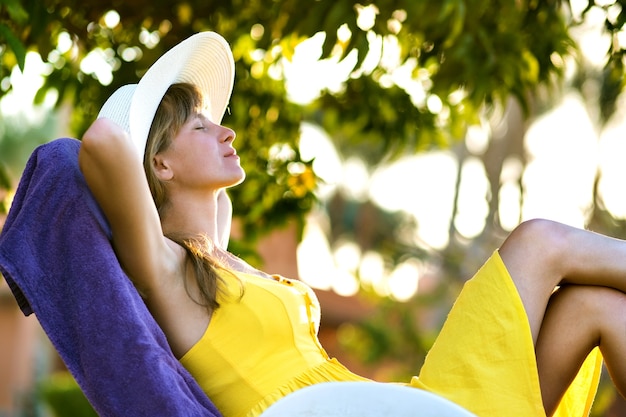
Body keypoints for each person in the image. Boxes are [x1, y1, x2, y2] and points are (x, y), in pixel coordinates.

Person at [78, 31, 626, 417]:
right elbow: (101, 144)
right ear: (157, 163)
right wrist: (140, 113)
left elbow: (209, 209)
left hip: (379, 404)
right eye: (201, 128)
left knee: (592, 307)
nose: (226, 132)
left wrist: (187, 131)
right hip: (329, 412)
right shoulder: (165, 271)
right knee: (539, 241)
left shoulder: (214, 259)